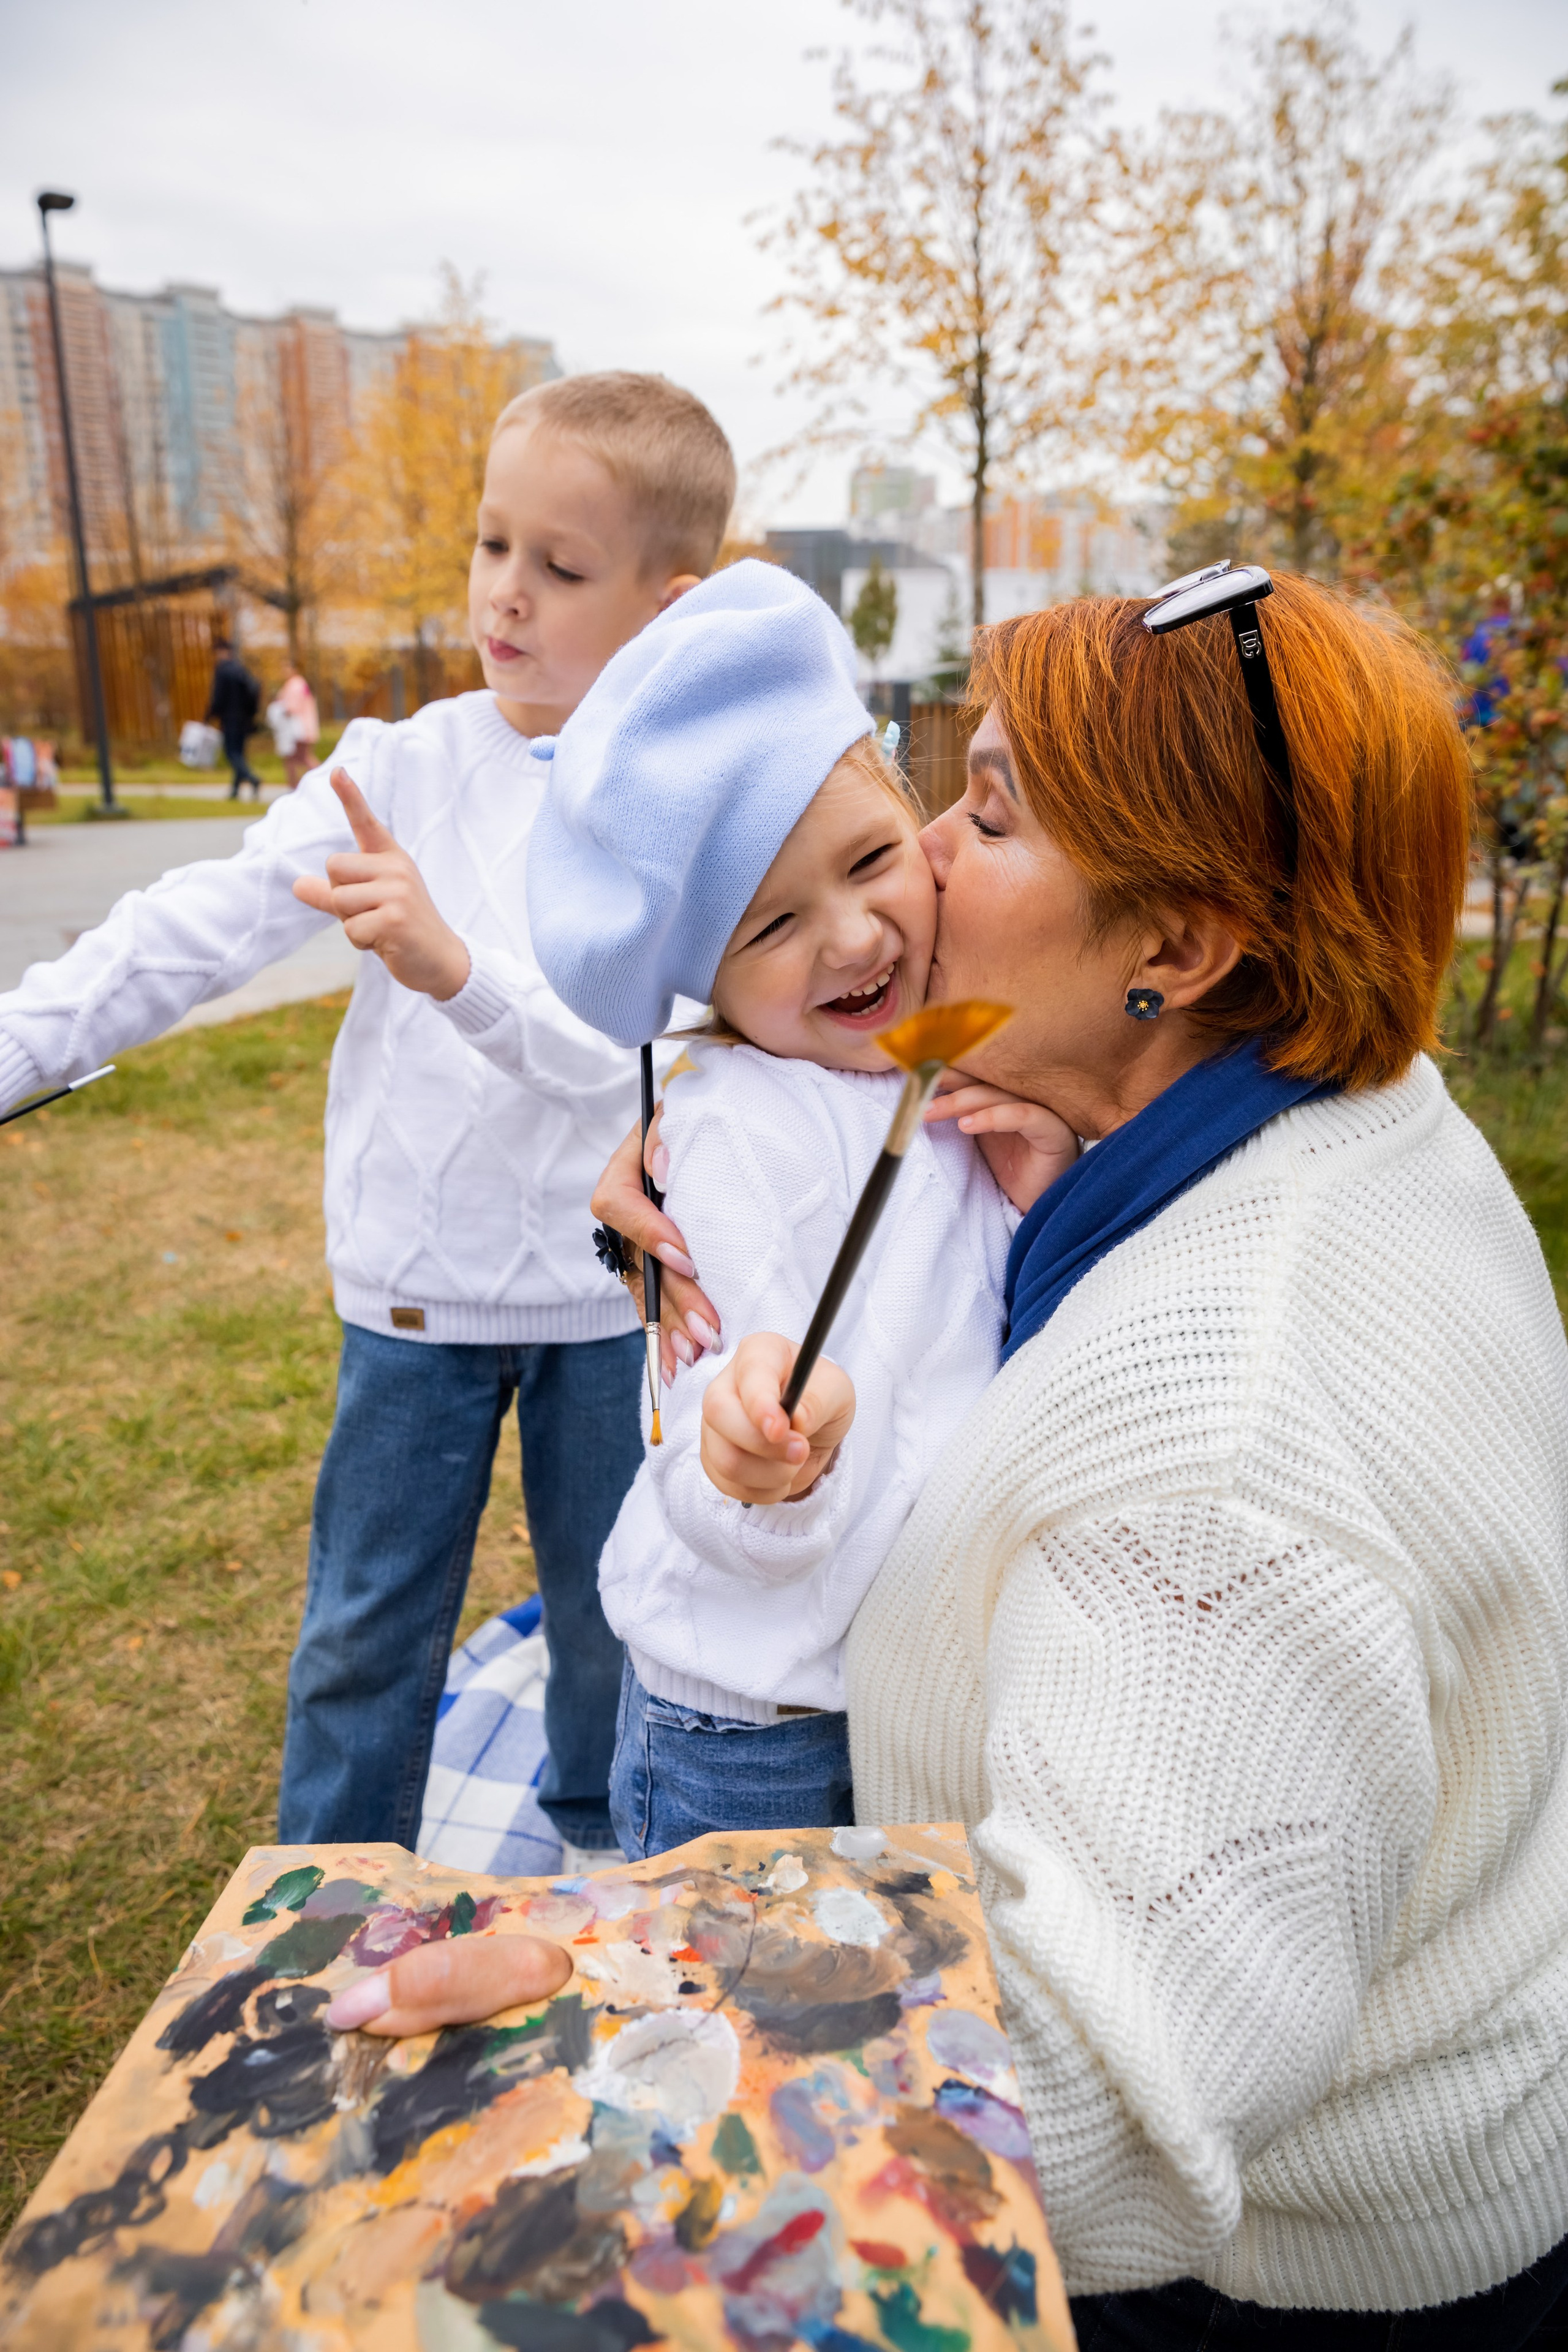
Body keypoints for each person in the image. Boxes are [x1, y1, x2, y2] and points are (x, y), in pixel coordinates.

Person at [578, 572, 1568, 2342]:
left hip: (1272, 2267)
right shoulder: (1356, 1116)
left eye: (984, 814)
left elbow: (1093, 2087)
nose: (916, 857)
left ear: (1173, 950)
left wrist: (601, 2057)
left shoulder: (1223, 1451)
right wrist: (702, 1139)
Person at [0, 372, 737, 1871]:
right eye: (490, 544)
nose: (505, 592)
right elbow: (192, 926)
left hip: (608, 1303)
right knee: (363, 1631)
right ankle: (323, 1896)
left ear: (667, 606)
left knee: (611, 1619)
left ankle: (602, 1867)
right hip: (412, 1297)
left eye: (560, 565)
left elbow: (650, 1072)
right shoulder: (389, 771)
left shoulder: (682, 811)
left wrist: (454, 970)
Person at [524, 560, 1076, 1858]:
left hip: (893, 1686)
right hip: (750, 1719)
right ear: (707, 979)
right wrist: (753, 1464)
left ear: (913, 818)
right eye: (772, 926)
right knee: (734, 1983)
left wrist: (1040, 1192)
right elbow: (713, 1413)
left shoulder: (947, 1055)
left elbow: (977, 1322)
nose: (852, 938)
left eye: (872, 860)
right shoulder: (736, 1133)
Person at [205, 635, 264, 799]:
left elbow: (218, 697)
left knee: (231, 753)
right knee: (239, 754)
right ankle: (235, 790)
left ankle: (252, 779)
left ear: (221, 652)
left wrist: (209, 716)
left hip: (230, 719)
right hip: (245, 719)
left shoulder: (223, 670)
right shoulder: (240, 669)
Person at [279, 668, 320, 790]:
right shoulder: (300, 684)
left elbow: (291, 707)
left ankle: (295, 786)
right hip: (305, 726)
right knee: (300, 757)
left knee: (299, 757)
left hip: (299, 728)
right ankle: (297, 786)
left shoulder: (295, 685)